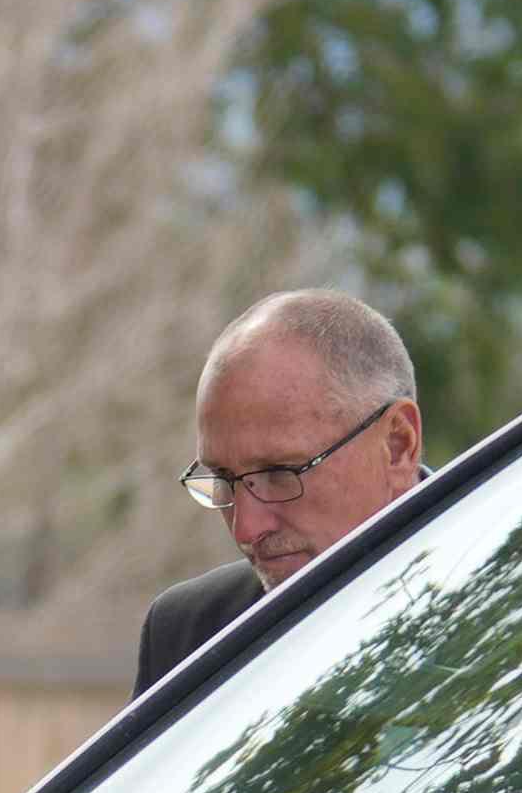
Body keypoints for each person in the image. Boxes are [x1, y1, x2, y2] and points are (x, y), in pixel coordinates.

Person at [140, 290, 426, 687]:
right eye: (222, 478)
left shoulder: (508, 599)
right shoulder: (190, 635)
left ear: (397, 445)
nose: (246, 529)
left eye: (279, 473)